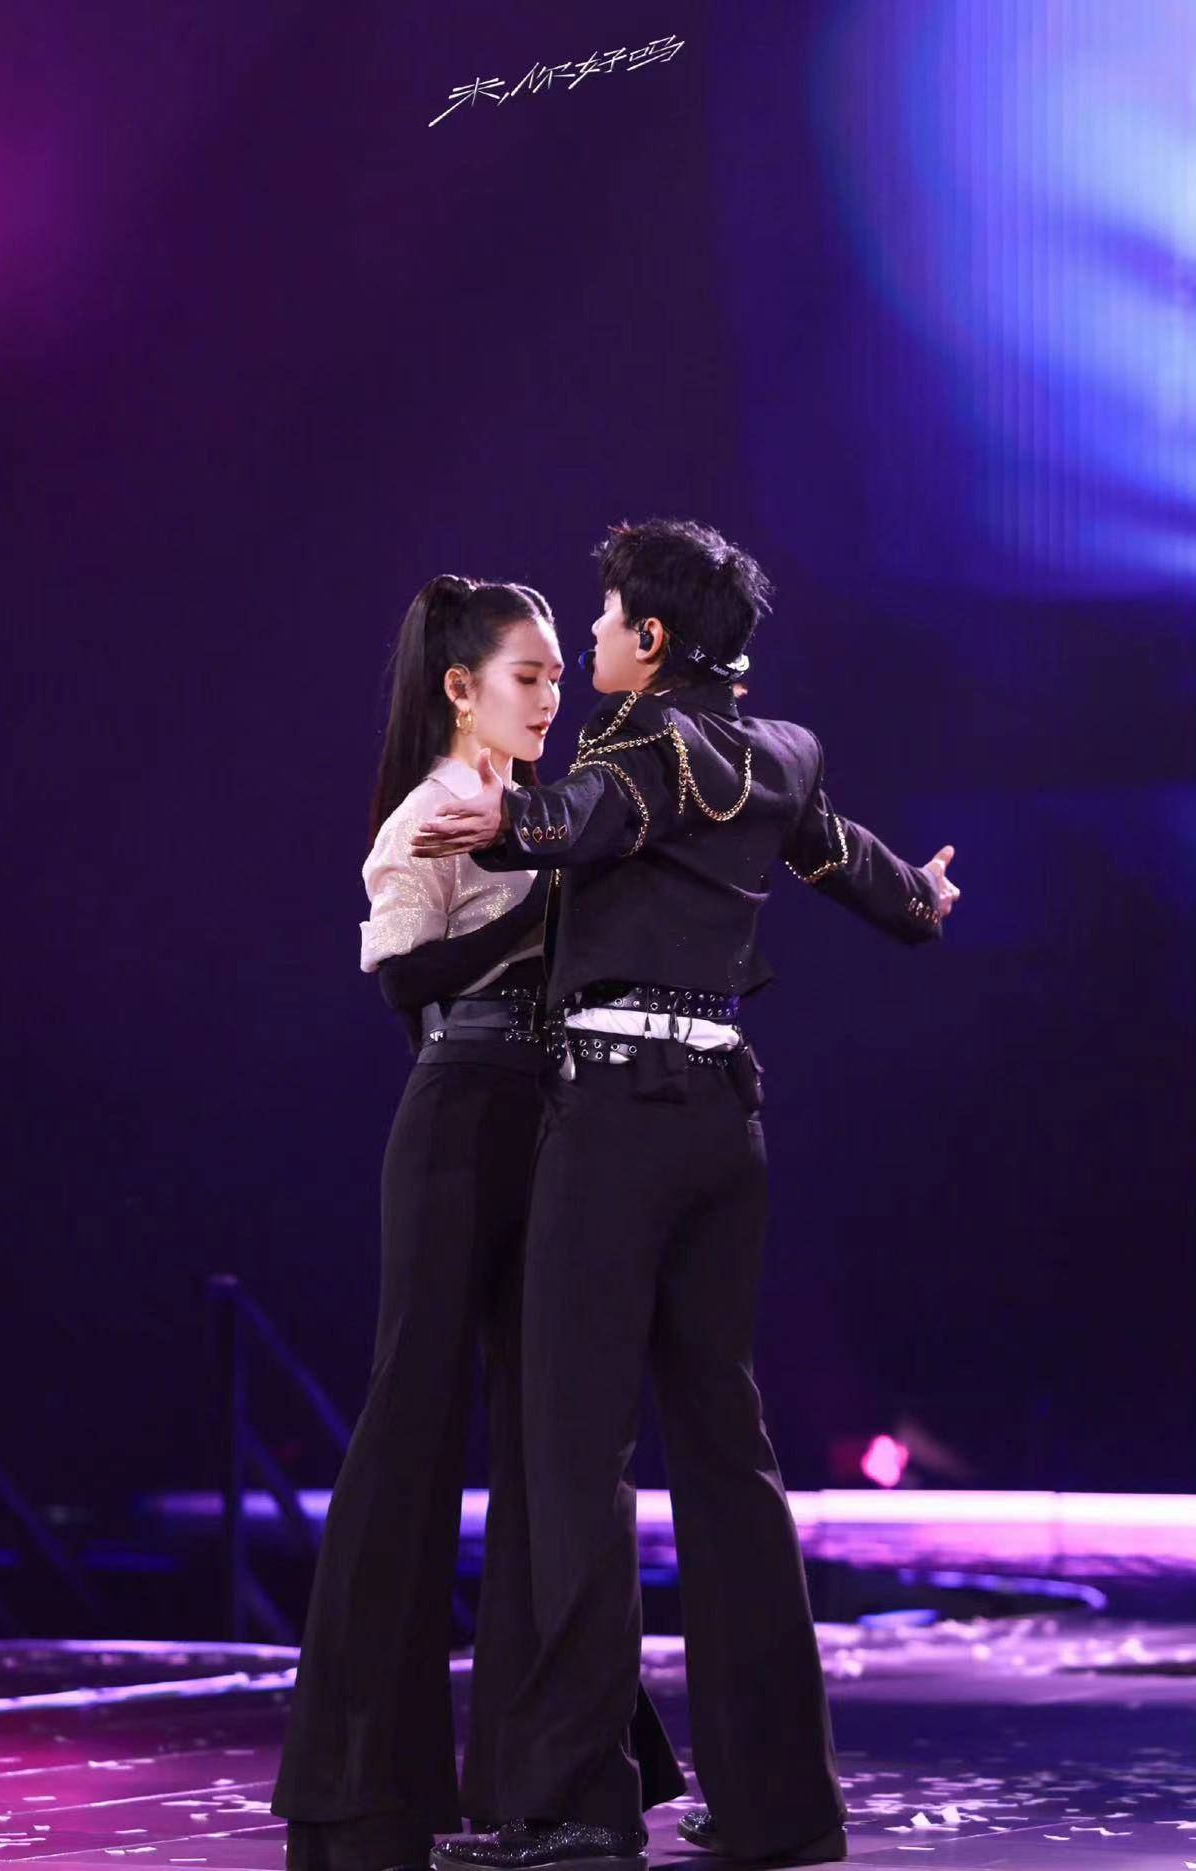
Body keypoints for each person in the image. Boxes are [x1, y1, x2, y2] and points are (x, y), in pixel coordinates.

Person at [413, 521, 960, 1871]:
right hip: (725, 1120)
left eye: (603, 623)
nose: (589, 644)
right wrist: (922, 897)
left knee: (573, 1456)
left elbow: (594, 815)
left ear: (652, 640)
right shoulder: (779, 754)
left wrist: (512, 817)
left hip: (617, 1123)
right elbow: (853, 865)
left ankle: (575, 1808)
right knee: (728, 1453)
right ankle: (783, 1804)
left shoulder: (643, 744)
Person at [272, 573, 683, 1871]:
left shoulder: (536, 809)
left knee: (553, 1443)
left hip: (551, 1121)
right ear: (462, 688)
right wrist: (543, 916)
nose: (553, 695)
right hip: (461, 1126)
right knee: (413, 1429)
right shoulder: (438, 808)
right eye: (529, 675)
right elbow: (404, 981)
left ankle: (547, 1782)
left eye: (560, 672)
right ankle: (360, 1789)